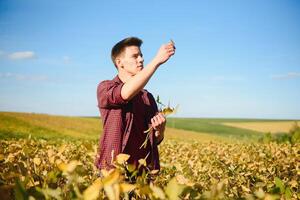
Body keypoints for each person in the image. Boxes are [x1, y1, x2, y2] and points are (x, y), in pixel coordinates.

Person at [95, 37, 175, 172]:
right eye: (135, 56)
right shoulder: (106, 88)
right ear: (120, 63)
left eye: (141, 55)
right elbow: (125, 93)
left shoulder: (147, 97)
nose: (141, 59)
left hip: (142, 174)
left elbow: (155, 140)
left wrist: (160, 130)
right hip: (114, 170)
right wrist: (156, 61)